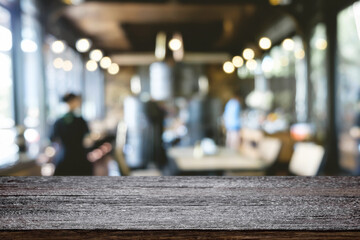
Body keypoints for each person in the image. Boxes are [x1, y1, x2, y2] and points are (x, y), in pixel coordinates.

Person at [50, 93, 93, 176]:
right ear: (73, 102)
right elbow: (88, 140)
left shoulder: (58, 121)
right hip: (80, 158)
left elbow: (53, 140)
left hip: (63, 159)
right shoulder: (81, 121)